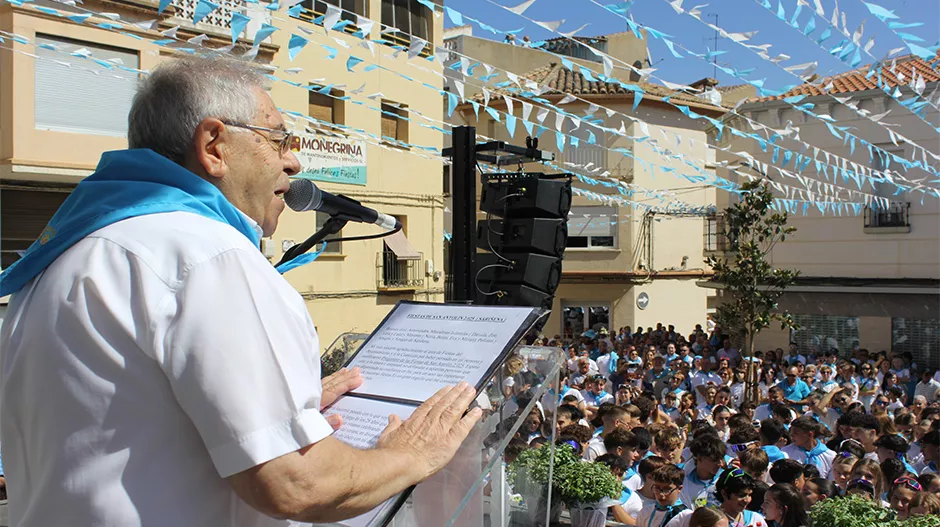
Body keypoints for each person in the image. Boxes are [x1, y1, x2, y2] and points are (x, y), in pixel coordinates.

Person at [0, 57, 483, 526]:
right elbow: (297, 483)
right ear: (214, 145)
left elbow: (120, 426)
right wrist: (414, 454)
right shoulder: (208, 255)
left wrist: (284, 407)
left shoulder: (65, 255)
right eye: (279, 140)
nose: (294, 161)